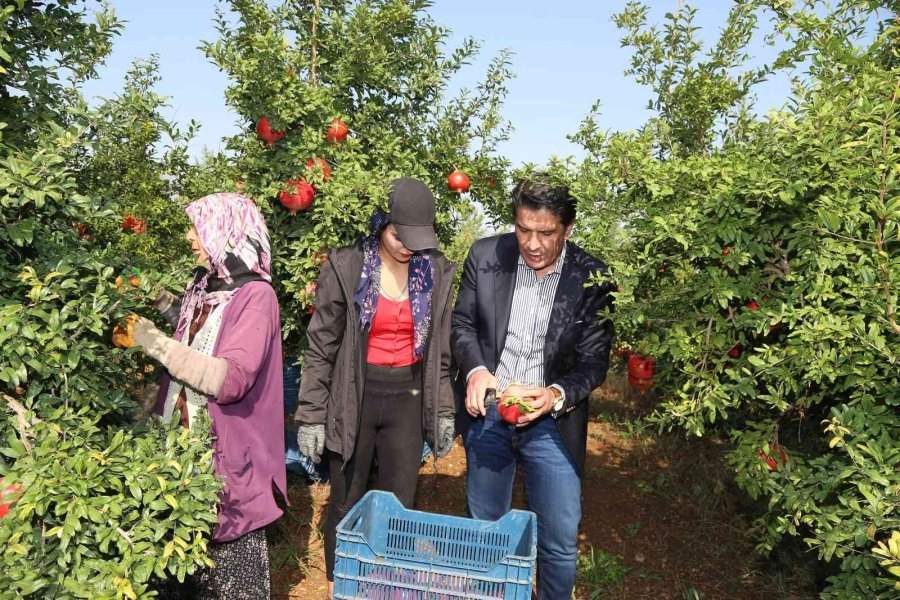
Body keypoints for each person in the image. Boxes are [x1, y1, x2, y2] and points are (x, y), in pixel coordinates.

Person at [114, 192, 286, 599]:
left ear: (226, 233)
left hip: (227, 461)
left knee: (228, 578)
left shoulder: (257, 298)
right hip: (183, 454)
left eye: (198, 228)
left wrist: (152, 341)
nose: (191, 237)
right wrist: (152, 293)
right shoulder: (209, 286)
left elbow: (227, 379)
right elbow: (198, 326)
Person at [451, 179, 614, 599]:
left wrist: (556, 394)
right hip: (490, 411)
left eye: (546, 232)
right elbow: (463, 325)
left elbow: (594, 362)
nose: (533, 243)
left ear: (568, 228)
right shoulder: (486, 256)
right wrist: (476, 371)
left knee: (559, 540)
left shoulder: (593, 276)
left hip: (552, 423)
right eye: (524, 229)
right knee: (485, 529)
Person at [294, 177, 457, 598]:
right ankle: (342, 586)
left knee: (399, 503)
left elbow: (440, 349)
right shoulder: (348, 267)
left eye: (415, 238)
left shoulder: (434, 271)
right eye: (397, 235)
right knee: (347, 498)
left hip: (407, 397)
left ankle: (385, 586)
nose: (406, 245)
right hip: (355, 394)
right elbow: (321, 345)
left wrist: (442, 409)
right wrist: (311, 413)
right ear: (380, 224)